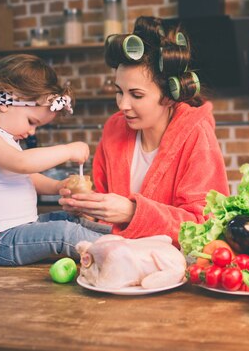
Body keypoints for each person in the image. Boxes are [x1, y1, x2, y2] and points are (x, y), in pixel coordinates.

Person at [59, 16, 229, 247]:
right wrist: (85, 208)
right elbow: (102, 205)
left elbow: (206, 225)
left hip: (174, 270)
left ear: (169, 96)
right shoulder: (114, 128)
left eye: (136, 95)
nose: (122, 105)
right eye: (119, 91)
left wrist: (133, 213)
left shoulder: (196, 136)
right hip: (117, 261)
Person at [0, 54, 109, 266]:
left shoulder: (3, 138)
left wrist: (57, 186)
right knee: (64, 233)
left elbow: (25, 176)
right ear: (3, 99)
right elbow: (22, 163)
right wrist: (67, 150)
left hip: (19, 228)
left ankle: (128, 237)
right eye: (31, 121)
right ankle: (122, 252)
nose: (31, 131)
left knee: (71, 221)